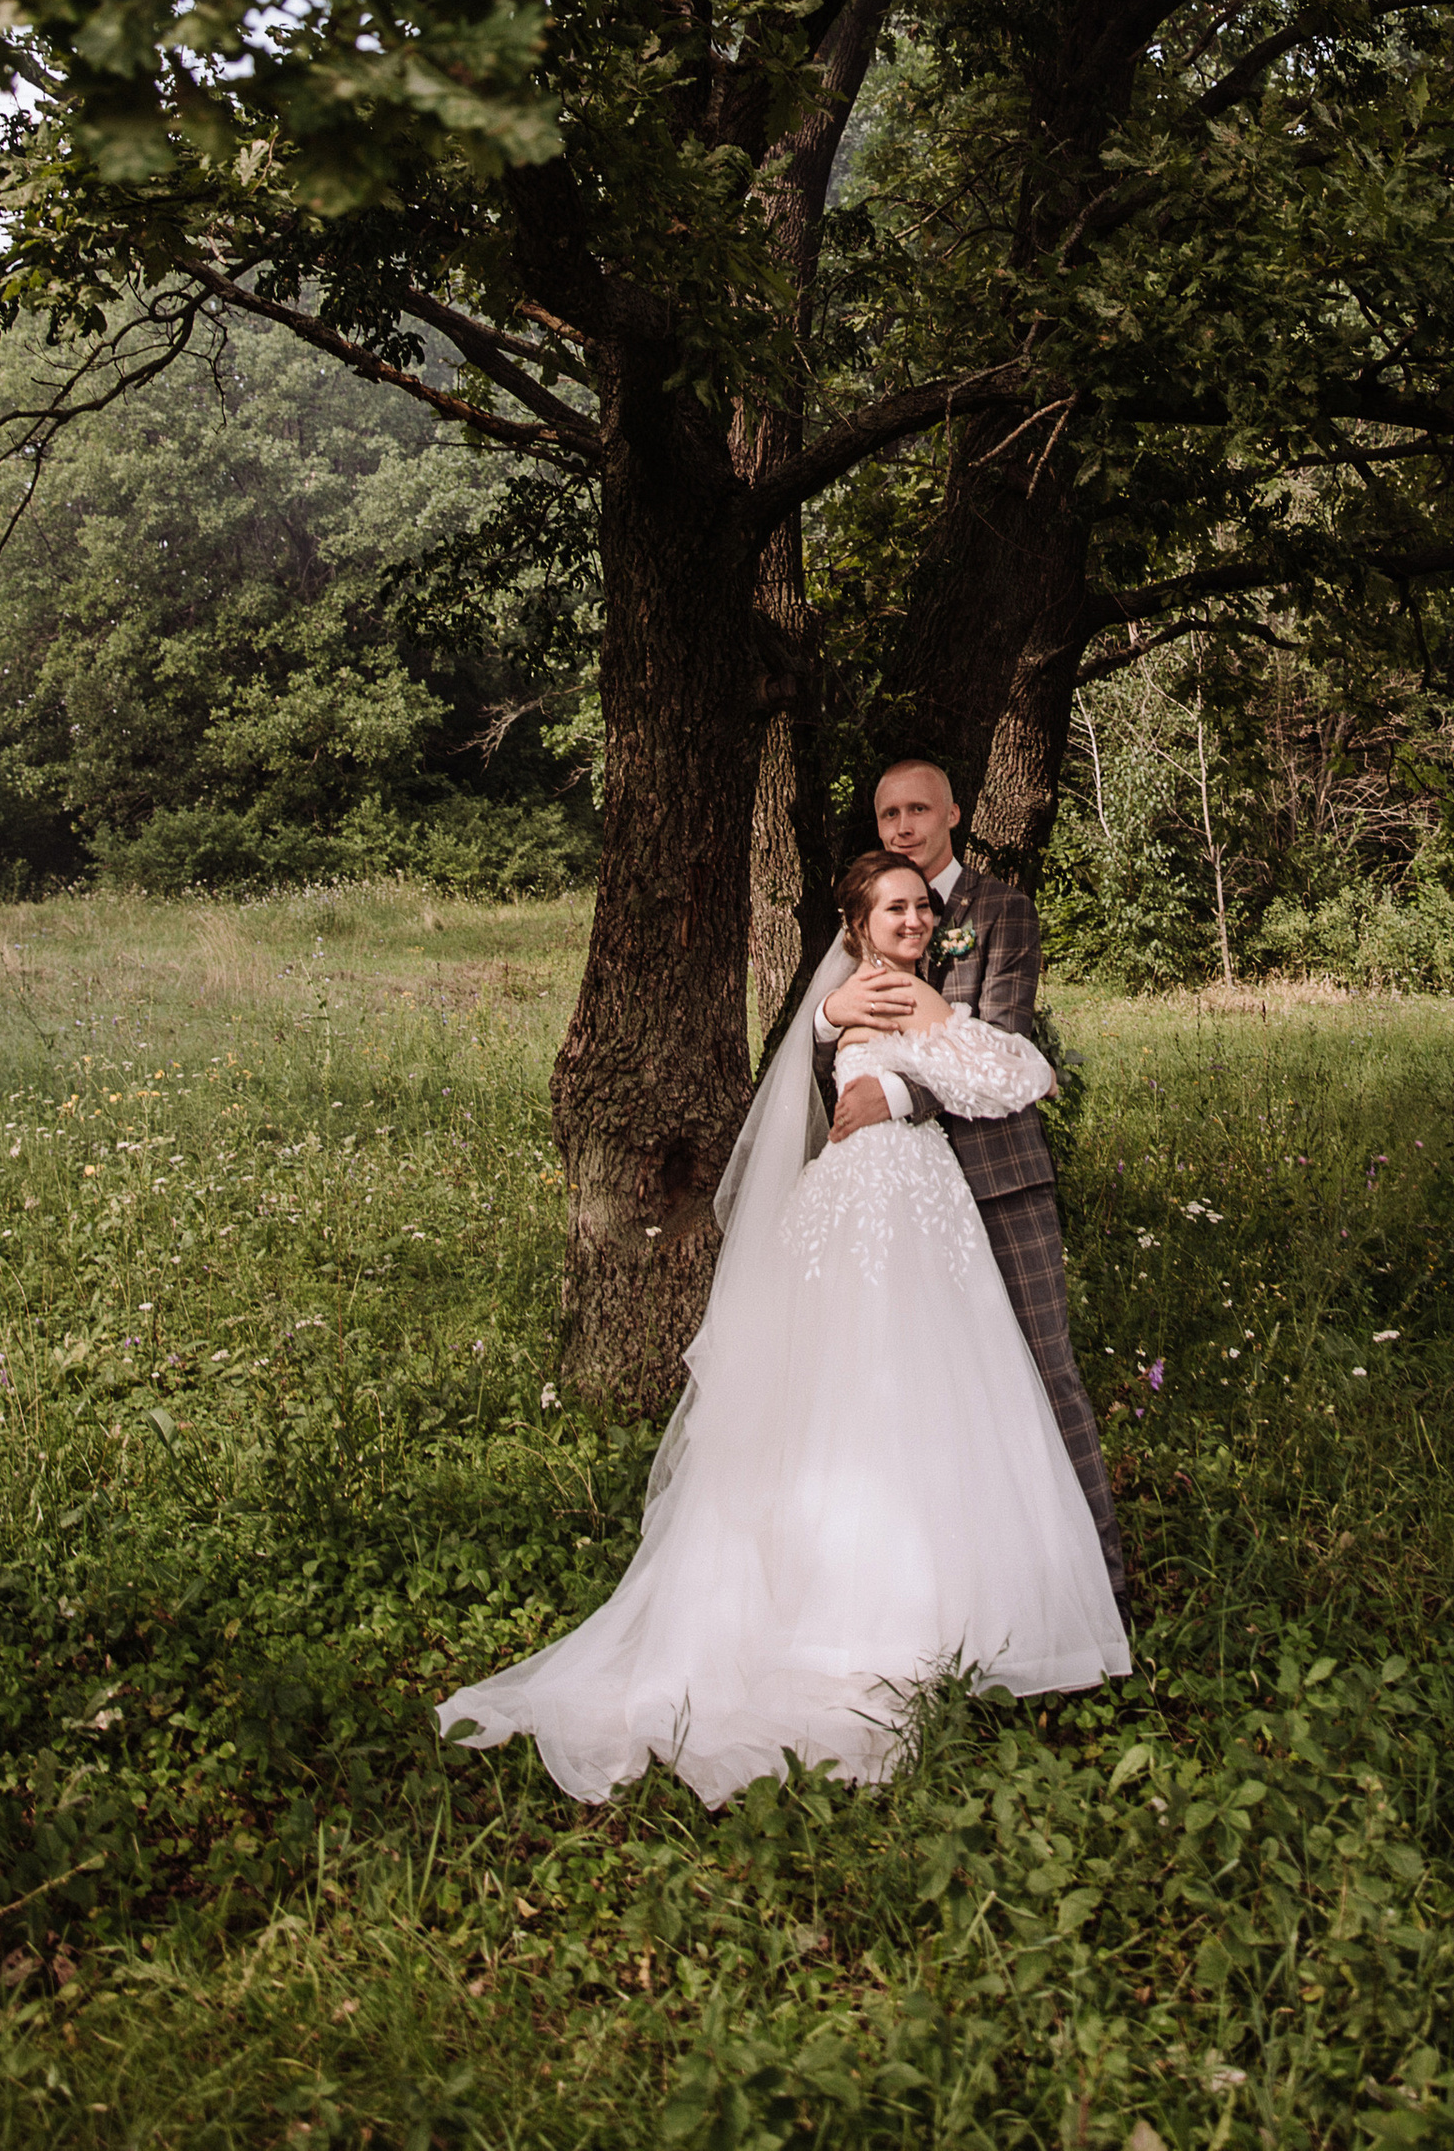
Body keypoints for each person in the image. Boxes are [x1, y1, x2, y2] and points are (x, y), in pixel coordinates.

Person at [433, 850, 1129, 1806]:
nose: (916, 921)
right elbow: (1017, 1075)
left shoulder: (860, 997)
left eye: (923, 907)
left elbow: (980, 1076)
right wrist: (921, 1022)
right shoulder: (884, 995)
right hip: (881, 1202)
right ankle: (881, 1616)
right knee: (881, 1395)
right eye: (895, 909)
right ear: (857, 927)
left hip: (907, 1199)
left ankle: (921, 1595)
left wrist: (884, 1045)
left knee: (907, 1397)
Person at [816, 755, 1127, 1608]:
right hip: (909, 1201)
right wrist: (826, 1014)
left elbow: (1002, 1040)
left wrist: (901, 1091)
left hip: (996, 1181)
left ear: (954, 812)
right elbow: (835, 1034)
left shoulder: (999, 911)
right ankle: (970, 1589)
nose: (904, 827)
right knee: (936, 1386)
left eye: (919, 810)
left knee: (1043, 1373)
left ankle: (1096, 1586)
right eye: (889, 816)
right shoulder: (875, 910)